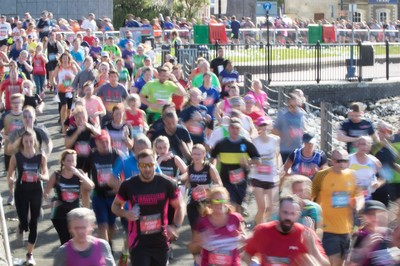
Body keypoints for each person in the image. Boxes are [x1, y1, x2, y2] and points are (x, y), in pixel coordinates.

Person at [111, 149, 185, 266]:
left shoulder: (166, 183)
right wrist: (125, 213)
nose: (147, 169)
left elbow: (180, 205)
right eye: (143, 165)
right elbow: (115, 206)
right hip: (138, 242)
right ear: (138, 166)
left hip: (161, 241)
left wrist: (175, 226)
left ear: (155, 164)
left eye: (150, 165)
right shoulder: (128, 185)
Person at [312, 148, 364, 266]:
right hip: (327, 228)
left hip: (347, 229)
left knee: (342, 263)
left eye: (345, 161)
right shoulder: (322, 175)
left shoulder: (352, 175)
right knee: (332, 263)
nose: (341, 164)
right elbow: (310, 195)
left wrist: (359, 205)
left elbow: (359, 194)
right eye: (338, 161)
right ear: (331, 161)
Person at [243, 196, 329, 265]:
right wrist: (253, 264)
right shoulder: (262, 231)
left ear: (298, 215)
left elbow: (326, 264)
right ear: (279, 212)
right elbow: (247, 253)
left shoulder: (306, 234)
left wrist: (312, 247)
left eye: (292, 214)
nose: (288, 217)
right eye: (285, 212)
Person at [7, 129, 49, 266]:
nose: (29, 144)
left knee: (34, 224)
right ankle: (21, 225)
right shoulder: (17, 156)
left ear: (35, 142)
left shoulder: (40, 156)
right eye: (26, 141)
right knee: (25, 222)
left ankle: (29, 255)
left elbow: (46, 175)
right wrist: (11, 186)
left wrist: (41, 176)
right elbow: (10, 175)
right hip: (21, 192)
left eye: (31, 141)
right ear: (22, 142)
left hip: (36, 191)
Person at [210, 117, 261, 213]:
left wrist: (247, 162)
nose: (234, 130)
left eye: (237, 128)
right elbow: (212, 157)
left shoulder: (246, 143)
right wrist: (213, 173)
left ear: (240, 129)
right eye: (232, 128)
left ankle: (238, 223)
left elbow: (258, 160)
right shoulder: (221, 143)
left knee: (239, 206)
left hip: (242, 181)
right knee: (230, 204)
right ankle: (231, 224)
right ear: (228, 128)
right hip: (225, 179)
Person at [44, 150, 94, 245]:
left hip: (75, 212)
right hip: (59, 213)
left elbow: (91, 186)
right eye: (68, 161)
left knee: (76, 240)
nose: (71, 163)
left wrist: (79, 175)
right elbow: (46, 193)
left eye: (73, 161)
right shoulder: (56, 175)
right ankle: (67, 258)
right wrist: (49, 203)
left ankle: (75, 259)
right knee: (66, 241)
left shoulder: (79, 173)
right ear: (63, 161)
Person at [188, 186, 245, 266]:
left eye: (223, 200)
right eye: (216, 200)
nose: (220, 203)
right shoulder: (203, 222)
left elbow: (246, 242)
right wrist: (199, 247)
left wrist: (242, 240)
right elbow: (192, 247)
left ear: (227, 203)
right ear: (210, 203)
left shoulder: (235, 218)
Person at [85, 130, 122, 248]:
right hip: (99, 195)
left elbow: (124, 173)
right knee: (102, 225)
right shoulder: (92, 156)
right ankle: (105, 252)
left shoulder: (116, 155)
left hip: (114, 196)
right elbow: (84, 171)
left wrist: (120, 186)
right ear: (96, 142)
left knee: (111, 226)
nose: (105, 144)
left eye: (107, 141)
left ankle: (107, 243)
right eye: (102, 142)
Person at [347, 200, 400, 265]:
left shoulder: (390, 234)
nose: (376, 217)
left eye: (379, 213)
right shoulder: (358, 236)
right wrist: (364, 248)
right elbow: (349, 263)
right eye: (371, 214)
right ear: (364, 216)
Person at [250, 116, 281, 224]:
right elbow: (251, 157)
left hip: (271, 177)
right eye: (261, 125)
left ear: (268, 126)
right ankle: (258, 230)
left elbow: (277, 156)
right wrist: (252, 162)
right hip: (258, 176)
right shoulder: (254, 140)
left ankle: (266, 227)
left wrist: (278, 169)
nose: (263, 128)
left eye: (265, 125)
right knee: (261, 207)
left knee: (271, 208)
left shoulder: (275, 139)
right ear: (258, 127)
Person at [272, 93, 305, 164]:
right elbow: (274, 130)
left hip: (298, 149)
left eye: (297, 106)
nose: (294, 108)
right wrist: (284, 135)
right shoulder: (282, 114)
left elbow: (303, 129)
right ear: (288, 105)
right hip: (285, 150)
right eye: (291, 106)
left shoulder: (301, 114)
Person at [51, 52, 80, 131]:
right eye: (63, 58)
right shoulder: (59, 67)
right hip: (61, 90)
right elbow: (53, 76)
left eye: (66, 58)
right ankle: (63, 125)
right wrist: (54, 82)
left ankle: (67, 124)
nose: (64, 59)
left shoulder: (72, 67)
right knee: (64, 106)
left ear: (68, 59)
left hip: (70, 90)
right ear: (61, 59)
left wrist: (76, 84)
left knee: (69, 110)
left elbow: (78, 75)